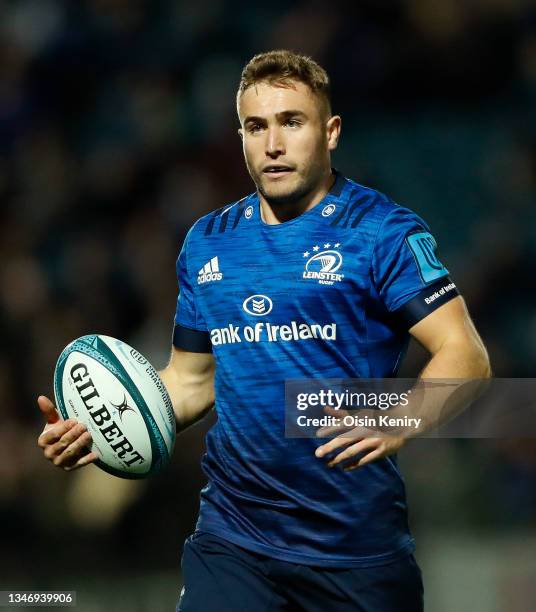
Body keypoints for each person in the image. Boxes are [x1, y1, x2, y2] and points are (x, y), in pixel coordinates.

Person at [37, 50, 491, 611]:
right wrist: (100, 427)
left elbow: (465, 354)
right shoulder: (208, 242)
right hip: (233, 542)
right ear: (241, 137)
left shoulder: (381, 232)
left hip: (355, 551)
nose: (272, 143)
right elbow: (190, 381)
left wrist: (398, 417)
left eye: (291, 122)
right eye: (256, 126)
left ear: (331, 133)